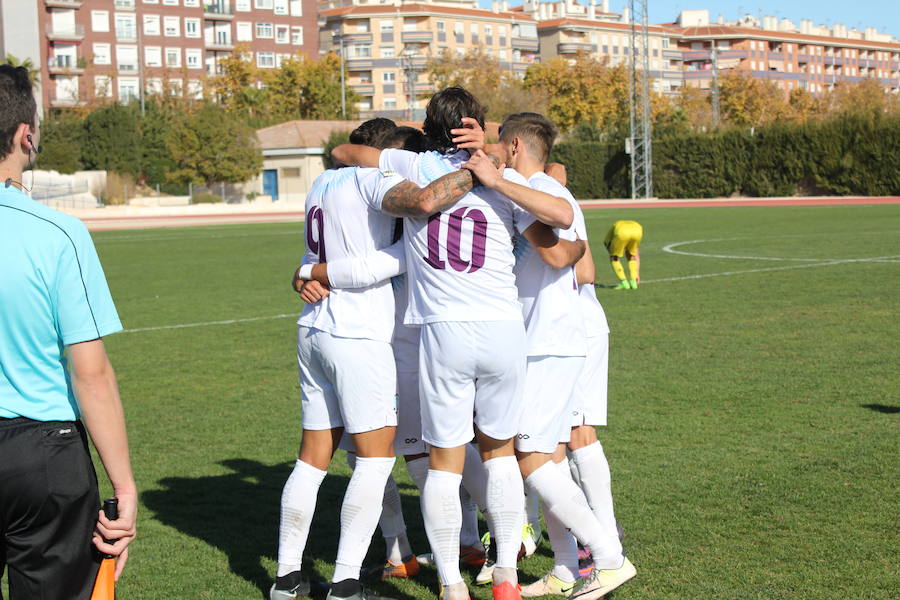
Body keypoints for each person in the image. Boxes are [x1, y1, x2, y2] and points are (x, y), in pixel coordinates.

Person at [332, 87, 574, 600]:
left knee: (444, 462)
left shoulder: (413, 166)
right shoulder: (500, 175)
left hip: (443, 331)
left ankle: (450, 584)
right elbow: (561, 217)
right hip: (503, 328)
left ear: (426, 126)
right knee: (500, 454)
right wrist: (490, 166)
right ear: (479, 125)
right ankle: (505, 576)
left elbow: (348, 152)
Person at [271, 118, 488, 600]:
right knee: (374, 461)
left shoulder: (322, 180)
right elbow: (419, 208)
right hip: (358, 333)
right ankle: (346, 580)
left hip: (313, 328)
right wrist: (480, 166)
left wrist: (307, 269)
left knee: (311, 461)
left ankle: (286, 577)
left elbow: (335, 247)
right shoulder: (373, 178)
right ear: (384, 152)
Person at [473, 113, 635, 600]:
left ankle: (608, 557)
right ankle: (566, 567)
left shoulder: (541, 192)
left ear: (515, 146)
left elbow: (566, 258)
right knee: (554, 453)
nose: (494, 155)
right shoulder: (536, 186)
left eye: (500, 147)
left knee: (531, 458)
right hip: (538, 339)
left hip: (552, 341)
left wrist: (499, 181)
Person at [0, 64, 137, 600]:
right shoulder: (58, 232)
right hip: (40, 452)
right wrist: (123, 484)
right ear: (24, 135)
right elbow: (91, 373)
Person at [603, 220, 643, 289]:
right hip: (638, 231)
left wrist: (613, 252)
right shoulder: (633, 225)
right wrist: (637, 274)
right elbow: (637, 254)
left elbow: (606, 243)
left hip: (622, 232)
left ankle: (624, 282)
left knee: (614, 257)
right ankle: (634, 282)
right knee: (631, 255)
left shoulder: (615, 227)